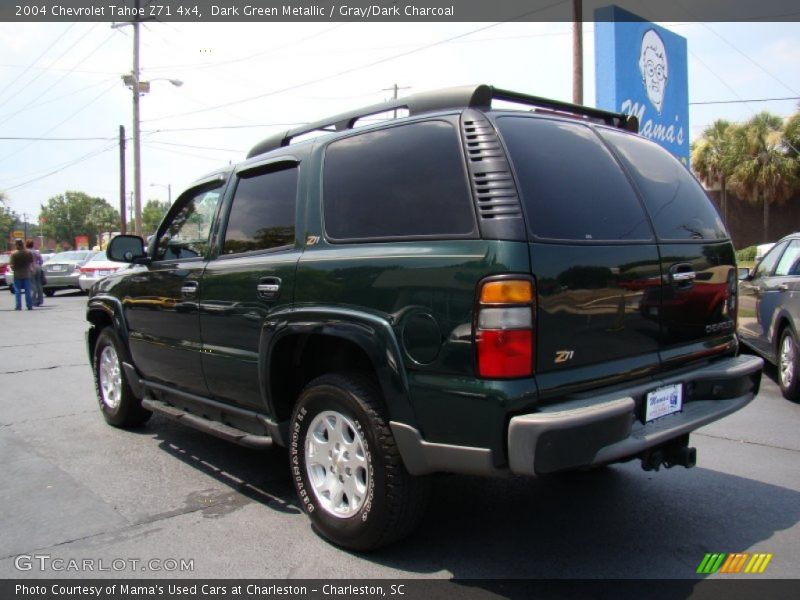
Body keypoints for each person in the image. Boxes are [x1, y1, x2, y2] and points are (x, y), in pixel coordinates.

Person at [10, 239, 34, 310]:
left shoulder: (14, 254)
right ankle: (29, 306)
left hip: (17, 274)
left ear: (16, 244)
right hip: (26, 274)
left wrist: (14, 269)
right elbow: (31, 262)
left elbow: (11, 265)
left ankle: (18, 306)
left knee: (17, 291)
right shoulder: (28, 253)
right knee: (28, 291)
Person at [26, 239, 44, 306]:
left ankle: (33, 301)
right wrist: (39, 265)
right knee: (38, 284)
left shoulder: (26, 252)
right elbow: (41, 260)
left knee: (32, 284)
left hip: (30, 267)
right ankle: (40, 300)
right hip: (38, 267)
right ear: (32, 244)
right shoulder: (36, 252)